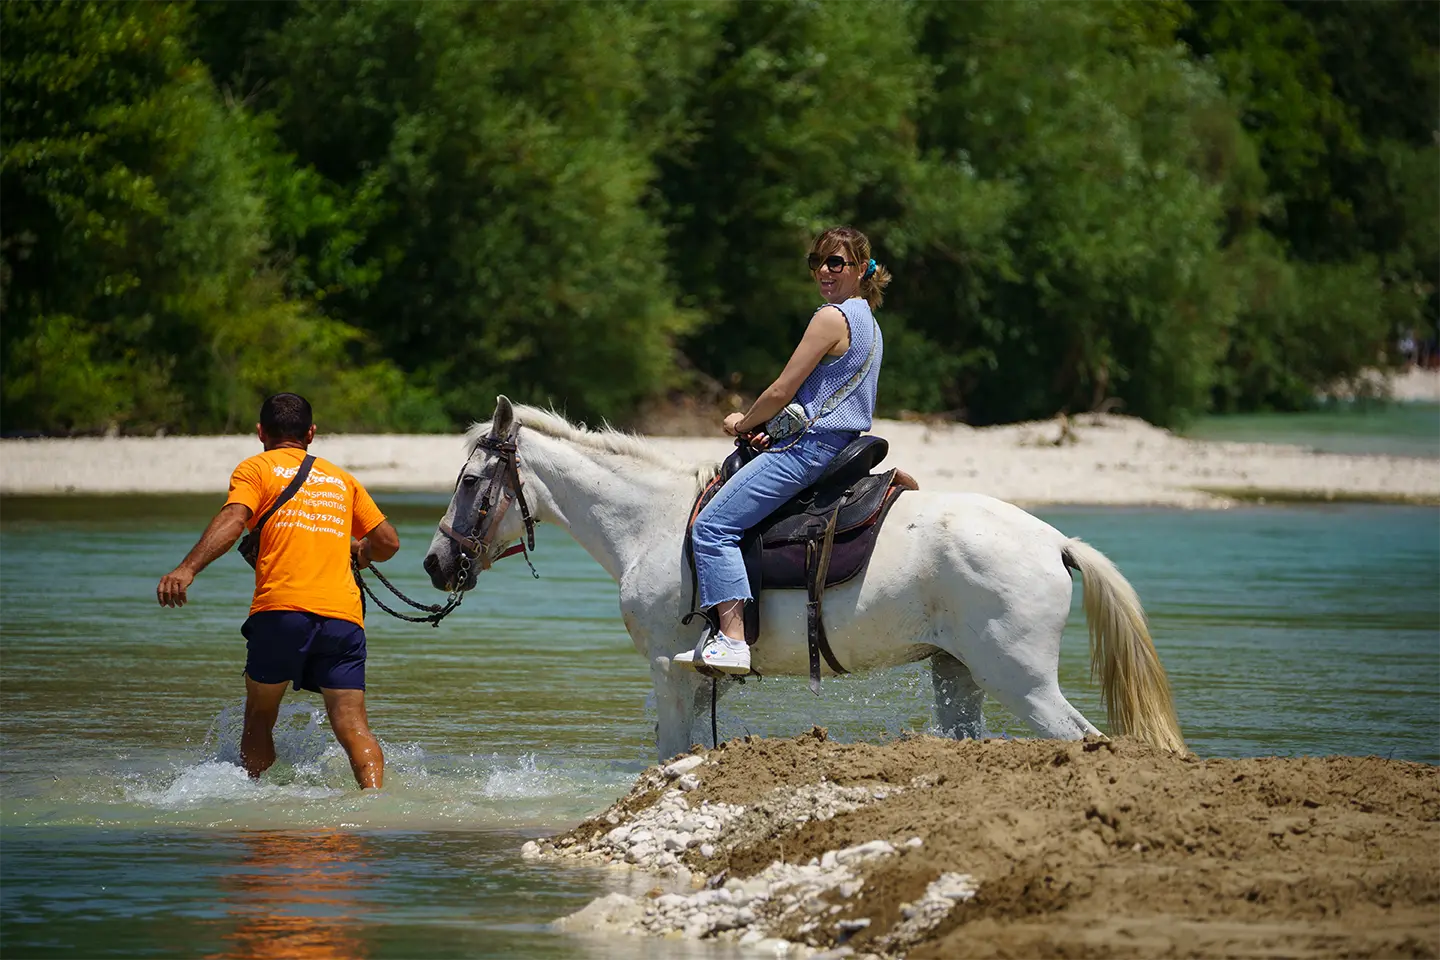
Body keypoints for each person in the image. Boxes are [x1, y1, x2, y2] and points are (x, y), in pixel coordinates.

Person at [674, 226, 890, 675]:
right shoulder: (869, 321)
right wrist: (772, 429)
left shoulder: (830, 318)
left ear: (860, 269)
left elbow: (780, 389)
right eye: (817, 262)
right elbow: (824, 398)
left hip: (810, 450)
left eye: (836, 263)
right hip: (832, 443)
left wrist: (743, 421)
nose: (824, 272)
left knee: (712, 527)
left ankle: (732, 641)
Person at [156, 393, 400, 789]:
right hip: (343, 619)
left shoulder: (256, 468)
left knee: (260, 715)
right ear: (311, 433)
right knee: (353, 725)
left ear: (260, 432)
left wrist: (187, 568)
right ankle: (374, 804)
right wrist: (358, 551)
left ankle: (258, 804)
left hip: (282, 612)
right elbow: (388, 543)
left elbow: (235, 520)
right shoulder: (342, 479)